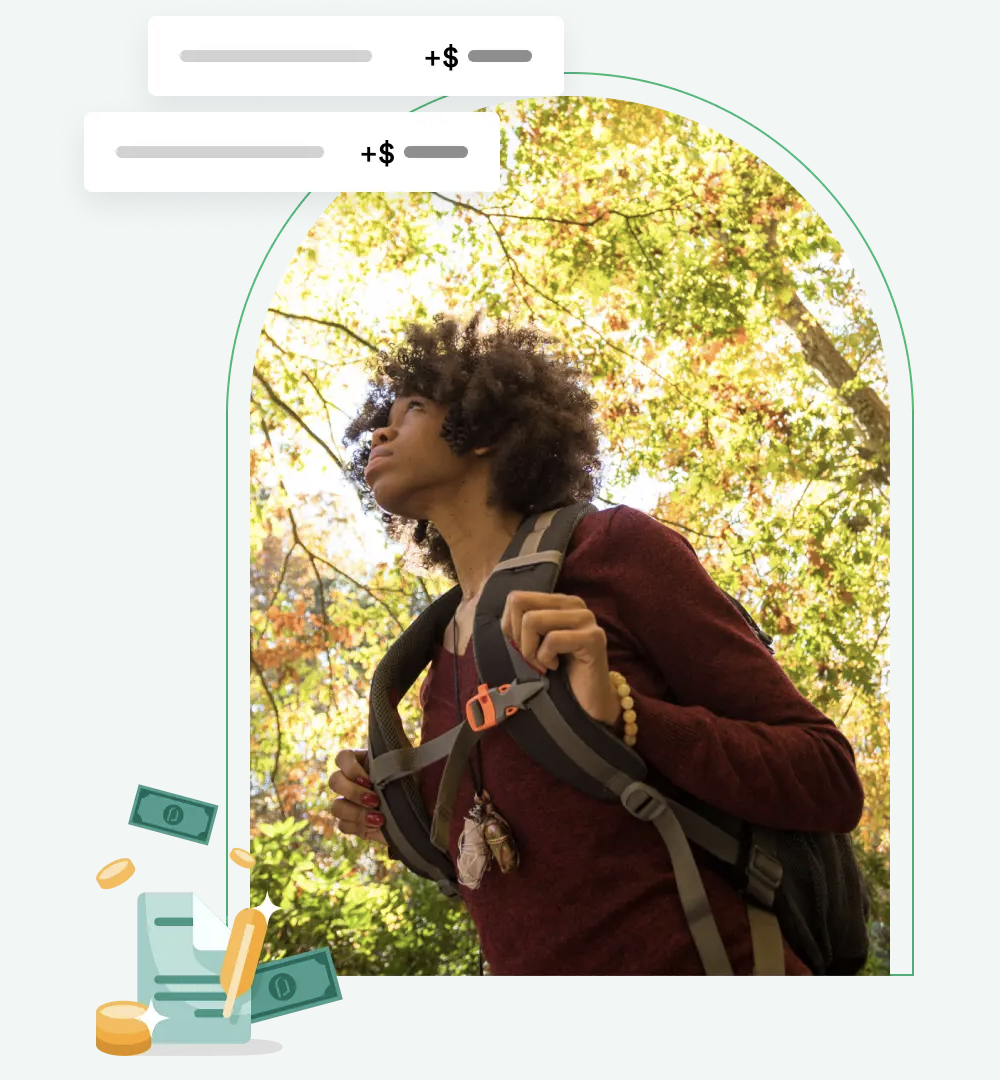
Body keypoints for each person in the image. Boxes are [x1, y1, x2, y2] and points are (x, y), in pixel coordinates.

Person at [328, 312, 865, 975]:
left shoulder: (612, 551)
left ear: (486, 430)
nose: (380, 429)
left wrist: (627, 716)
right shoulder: (435, 662)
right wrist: (390, 815)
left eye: (413, 408)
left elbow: (827, 777)